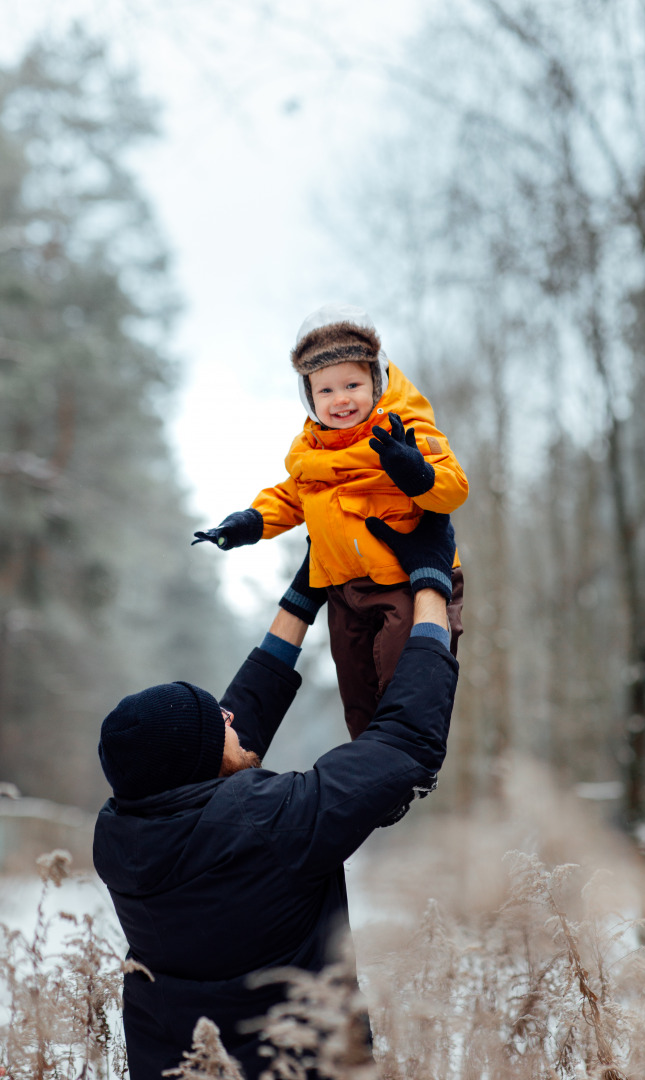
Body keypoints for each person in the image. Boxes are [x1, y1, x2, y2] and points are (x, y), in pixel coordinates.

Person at [93, 510, 460, 1080]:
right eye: (221, 723)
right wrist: (433, 584)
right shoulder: (269, 825)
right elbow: (407, 741)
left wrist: (302, 596)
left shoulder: (121, 835)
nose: (231, 717)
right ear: (205, 758)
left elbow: (216, 746)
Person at [192, 302, 468, 739]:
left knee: (406, 668)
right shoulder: (312, 453)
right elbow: (289, 498)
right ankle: (368, 755)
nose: (340, 399)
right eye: (325, 391)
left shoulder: (404, 431)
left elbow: (454, 487)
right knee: (355, 683)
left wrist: (415, 471)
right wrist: (248, 523)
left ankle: (412, 744)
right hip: (343, 587)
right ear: (309, 397)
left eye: (353, 384)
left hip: (404, 581)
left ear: (376, 382)